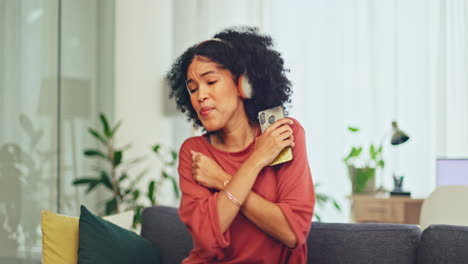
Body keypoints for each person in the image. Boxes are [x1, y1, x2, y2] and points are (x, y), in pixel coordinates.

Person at [166, 26, 315, 264]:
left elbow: (292, 233)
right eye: (192, 88)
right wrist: (257, 160)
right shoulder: (194, 152)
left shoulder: (282, 134)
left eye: (210, 81)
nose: (200, 95)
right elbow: (206, 239)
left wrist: (221, 180)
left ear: (243, 83)